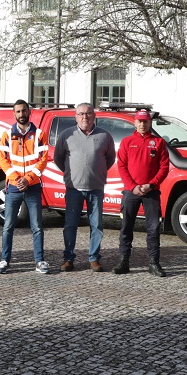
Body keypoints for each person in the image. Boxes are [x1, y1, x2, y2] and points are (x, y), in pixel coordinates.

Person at [54, 102, 116, 273]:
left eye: (88, 113)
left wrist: (97, 172)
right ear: (76, 117)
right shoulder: (67, 135)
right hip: (74, 188)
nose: (85, 117)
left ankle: (94, 258)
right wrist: (70, 174)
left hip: (96, 188)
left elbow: (110, 158)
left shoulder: (105, 136)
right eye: (81, 114)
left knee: (96, 225)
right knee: (70, 224)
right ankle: (68, 258)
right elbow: (58, 158)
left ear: (94, 116)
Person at [0, 100, 50, 274]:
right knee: (8, 226)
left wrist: (28, 178)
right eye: (18, 111)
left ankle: (39, 261)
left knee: (37, 226)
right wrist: (17, 179)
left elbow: (43, 160)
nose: (21, 114)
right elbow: (3, 161)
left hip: (32, 186)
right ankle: (4, 260)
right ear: (14, 114)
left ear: (29, 112)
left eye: (24, 111)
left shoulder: (40, 134)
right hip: (13, 187)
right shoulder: (6, 135)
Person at [116, 108, 170, 276]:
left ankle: (153, 263)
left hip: (151, 192)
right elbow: (121, 166)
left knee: (153, 228)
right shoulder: (126, 142)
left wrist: (151, 185)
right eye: (139, 121)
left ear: (150, 123)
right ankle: (123, 261)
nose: (142, 124)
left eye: (145, 121)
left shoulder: (159, 142)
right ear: (135, 122)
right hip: (131, 192)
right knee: (126, 227)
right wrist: (132, 186)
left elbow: (164, 167)